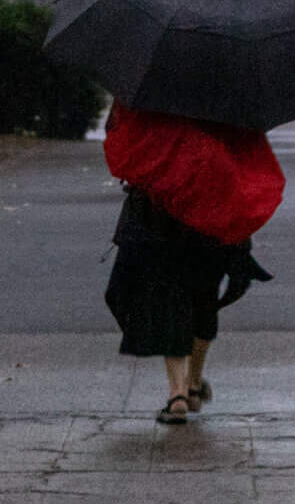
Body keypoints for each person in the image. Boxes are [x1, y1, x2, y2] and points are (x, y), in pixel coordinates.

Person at [100, 104, 281, 423]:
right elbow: (249, 156)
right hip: (216, 207)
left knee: (170, 299)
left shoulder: (151, 92)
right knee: (202, 297)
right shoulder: (231, 94)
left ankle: (178, 394)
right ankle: (194, 386)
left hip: (160, 214)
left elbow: (120, 139)